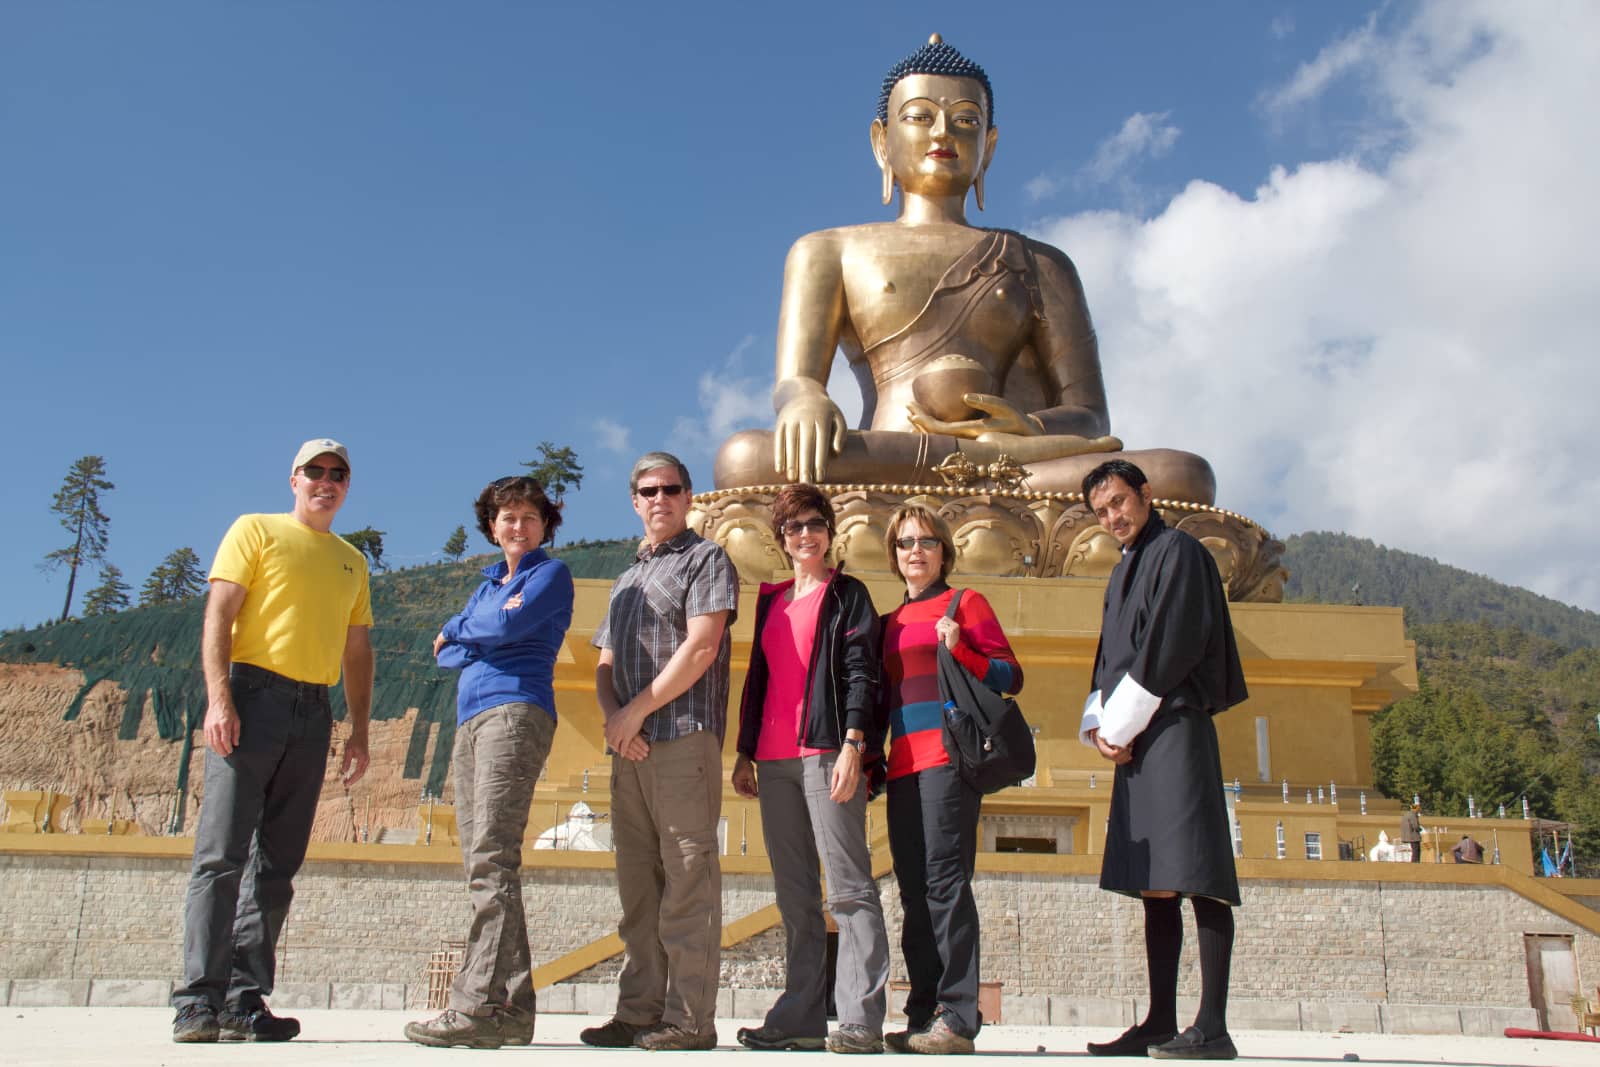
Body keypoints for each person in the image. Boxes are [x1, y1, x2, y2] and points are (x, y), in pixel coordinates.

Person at [713, 34, 1213, 505]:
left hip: (1013, 464)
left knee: (1181, 475)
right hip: (891, 454)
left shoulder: (1041, 263)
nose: (942, 133)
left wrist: (1025, 429)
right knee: (745, 458)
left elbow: (1091, 415)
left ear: (989, 147)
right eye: (919, 117)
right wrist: (803, 398)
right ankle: (980, 487)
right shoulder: (828, 250)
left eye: (966, 121)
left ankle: (981, 478)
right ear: (881, 141)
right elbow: (795, 379)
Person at [171, 439, 373, 1043]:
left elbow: (357, 648)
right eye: (315, 471)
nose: (326, 481)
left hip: (314, 712)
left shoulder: (351, 561)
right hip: (251, 697)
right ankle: (196, 1001)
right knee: (221, 855)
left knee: (278, 864)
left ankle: (243, 1000)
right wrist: (219, 698)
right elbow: (219, 614)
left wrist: (359, 729)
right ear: (294, 479)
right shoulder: (254, 530)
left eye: (338, 474)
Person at [1078, 459, 1247, 1061]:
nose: (1113, 518)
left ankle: (1214, 1025)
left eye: (1120, 502)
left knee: (1196, 872)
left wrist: (1118, 725)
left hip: (1173, 724)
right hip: (1134, 738)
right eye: (1101, 512)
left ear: (1146, 495)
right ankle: (1159, 1019)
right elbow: (1110, 659)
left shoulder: (1179, 552)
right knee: (1155, 883)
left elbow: (1167, 647)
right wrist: (1098, 727)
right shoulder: (1123, 570)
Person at [404, 477, 575, 1049]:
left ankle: (475, 1006)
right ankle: (512, 1010)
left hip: (515, 712)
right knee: (486, 862)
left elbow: (488, 631)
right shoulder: (487, 588)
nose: (518, 526)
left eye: (529, 517)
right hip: (470, 720)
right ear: (492, 526)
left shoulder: (549, 575)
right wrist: (475, 632)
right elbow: (453, 656)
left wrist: (459, 628)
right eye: (508, 518)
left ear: (545, 524)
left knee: (490, 861)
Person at [583, 452, 740, 1052]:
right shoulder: (625, 579)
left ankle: (689, 1019)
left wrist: (635, 712)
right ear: (634, 501)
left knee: (688, 880)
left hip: (681, 735)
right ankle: (639, 1009)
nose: (660, 499)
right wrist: (615, 722)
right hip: (630, 746)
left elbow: (702, 647)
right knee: (638, 889)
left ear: (689, 496)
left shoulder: (708, 559)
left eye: (671, 488)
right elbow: (604, 663)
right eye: (648, 490)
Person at [730, 484, 890, 1055]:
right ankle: (799, 1012)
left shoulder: (848, 594)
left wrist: (855, 744)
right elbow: (758, 679)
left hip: (826, 750)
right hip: (773, 760)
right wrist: (744, 751)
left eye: (814, 525)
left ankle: (860, 1018)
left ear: (830, 531)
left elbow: (861, 672)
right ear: (780, 539)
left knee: (849, 887)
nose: (805, 536)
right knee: (794, 892)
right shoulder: (771, 598)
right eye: (794, 527)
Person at [879, 503, 1022, 1055]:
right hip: (902, 766)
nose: (916, 550)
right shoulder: (889, 623)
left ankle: (959, 1016)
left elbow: (1011, 674)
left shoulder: (964, 604)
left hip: (946, 761)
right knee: (914, 893)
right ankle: (921, 1012)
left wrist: (960, 645)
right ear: (893, 554)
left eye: (927, 541)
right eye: (905, 542)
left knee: (946, 886)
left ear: (944, 550)